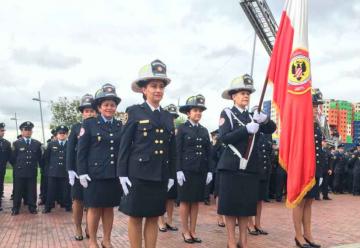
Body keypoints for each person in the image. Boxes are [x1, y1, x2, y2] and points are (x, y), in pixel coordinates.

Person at [118, 59, 176, 248]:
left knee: (153, 217)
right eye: (153, 86)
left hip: (159, 174)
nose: (158, 90)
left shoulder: (168, 116)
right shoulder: (134, 112)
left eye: (161, 86)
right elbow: (124, 145)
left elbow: (171, 149)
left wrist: (172, 175)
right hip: (138, 174)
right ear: (144, 90)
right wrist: (122, 173)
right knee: (135, 217)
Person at [217, 74, 276, 248]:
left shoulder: (253, 116)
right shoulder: (227, 113)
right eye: (241, 93)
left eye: (247, 93)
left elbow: (272, 128)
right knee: (230, 206)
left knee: (245, 207)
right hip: (231, 166)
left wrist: (263, 119)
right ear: (233, 96)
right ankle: (230, 241)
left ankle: (244, 240)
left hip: (250, 167)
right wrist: (246, 130)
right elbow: (224, 138)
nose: (245, 96)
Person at [77, 83, 122, 248]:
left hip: (112, 174)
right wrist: (81, 172)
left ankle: (107, 240)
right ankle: (93, 240)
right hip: (94, 174)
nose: (109, 108)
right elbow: (81, 151)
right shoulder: (89, 124)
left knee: (109, 209)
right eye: (106, 105)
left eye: (112, 105)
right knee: (94, 209)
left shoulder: (119, 125)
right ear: (99, 107)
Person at [176, 94, 213, 243]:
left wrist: (210, 170)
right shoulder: (182, 129)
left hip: (200, 170)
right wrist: (178, 170)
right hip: (185, 171)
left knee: (196, 202)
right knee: (185, 201)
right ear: (188, 113)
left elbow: (209, 152)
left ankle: (193, 230)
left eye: (200, 111)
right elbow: (177, 151)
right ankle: (185, 231)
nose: (198, 113)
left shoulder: (204, 131)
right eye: (195, 110)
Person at [292, 88, 323, 248]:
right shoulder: (299, 123)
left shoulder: (316, 125)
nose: (316, 109)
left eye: (317, 106)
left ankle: (308, 234)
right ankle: (298, 236)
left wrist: (320, 170)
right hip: (302, 169)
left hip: (313, 169)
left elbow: (318, 150)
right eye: (313, 105)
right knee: (300, 202)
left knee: (309, 201)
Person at [66, 93, 96, 240]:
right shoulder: (76, 127)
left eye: (91, 110)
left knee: (92, 201)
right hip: (78, 171)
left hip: (95, 170)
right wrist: (70, 170)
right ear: (82, 113)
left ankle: (89, 227)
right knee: (78, 200)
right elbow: (70, 150)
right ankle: (78, 227)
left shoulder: (99, 126)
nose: (89, 113)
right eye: (86, 111)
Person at [10, 121, 43, 215]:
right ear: (22, 131)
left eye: (30, 130)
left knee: (32, 190)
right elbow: (12, 158)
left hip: (32, 171)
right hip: (19, 171)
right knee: (17, 190)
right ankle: (15, 208)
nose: (28, 132)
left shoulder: (37, 143)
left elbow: (39, 157)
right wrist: (17, 167)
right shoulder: (16, 143)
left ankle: (32, 207)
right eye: (26, 130)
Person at [158, 104, 179, 232]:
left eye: (174, 117)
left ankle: (169, 220)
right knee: (161, 196)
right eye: (170, 116)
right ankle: (160, 220)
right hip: (160, 166)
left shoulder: (175, 131)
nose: (172, 119)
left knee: (171, 197)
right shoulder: (162, 129)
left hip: (172, 167)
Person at [248, 131, 272, 236]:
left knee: (259, 199)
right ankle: (249, 224)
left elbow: (269, 151)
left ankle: (258, 224)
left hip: (264, 170)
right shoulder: (251, 130)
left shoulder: (267, 134)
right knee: (250, 199)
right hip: (253, 171)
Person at [43, 125, 71, 213]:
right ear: (57, 134)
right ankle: (48, 207)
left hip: (65, 171)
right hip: (53, 172)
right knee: (51, 191)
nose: (62, 135)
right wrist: (48, 171)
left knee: (66, 190)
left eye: (64, 133)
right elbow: (46, 158)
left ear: (67, 134)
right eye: (60, 133)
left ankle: (68, 206)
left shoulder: (70, 144)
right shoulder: (51, 144)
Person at [210, 129, 226, 227]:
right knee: (219, 194)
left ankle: (229, 216)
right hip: (220, 169)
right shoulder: (220, 139)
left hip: (232, 169)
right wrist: (216, 143)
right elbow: (213, 155)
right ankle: (220, 217)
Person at [0, 123, 11, 211]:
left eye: (3, 131)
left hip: (1, 169)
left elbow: (10, 157)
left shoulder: (7, 143)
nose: (3, 132)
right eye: (1, 131)